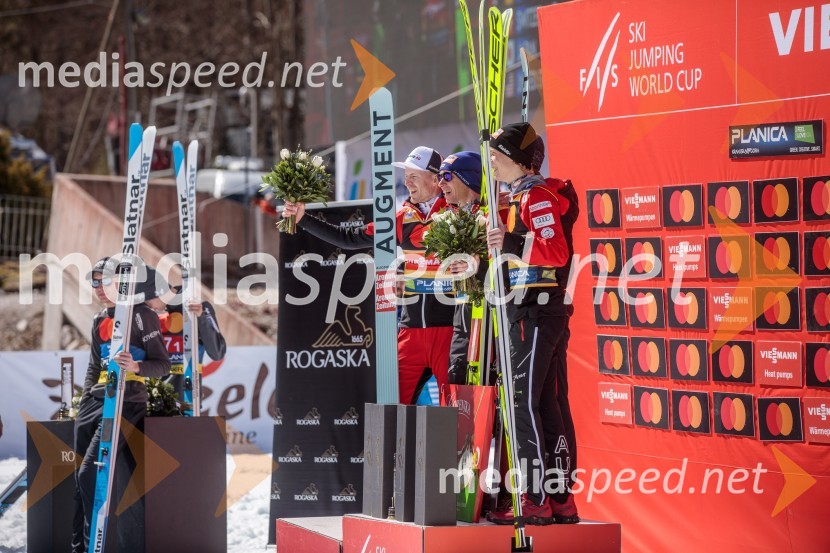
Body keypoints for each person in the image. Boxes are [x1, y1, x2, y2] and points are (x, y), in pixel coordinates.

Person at [281, 146, 455, 404]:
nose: (406, 182)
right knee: (392, 407)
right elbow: (349, 239)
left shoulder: (456, 213)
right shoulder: (400, 217)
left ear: (435, 178)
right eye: (405, 175)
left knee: (454, 410)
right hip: (411, 332)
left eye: (413, 176)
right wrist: (303, 218)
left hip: (449, 330)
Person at [482, 122, 579, 525]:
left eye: (498, 156)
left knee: (523, 403)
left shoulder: (535, 195)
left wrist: (507, 241)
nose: (492, 162)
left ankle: (534, 496)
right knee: (548, 405)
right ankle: (560, 499)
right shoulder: (522, 195)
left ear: (519, 161)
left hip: (535, 311)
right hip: (539, 309)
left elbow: (555, 252)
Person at [73, 258, 171, 553]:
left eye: (104, 280)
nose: (98, 288)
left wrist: (137, 366)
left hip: (126, 402)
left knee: (89, 474)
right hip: (95, 402)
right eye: (94, 281)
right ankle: (81, 547)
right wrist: (86, 399)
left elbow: (163, 364)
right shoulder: (98, 319)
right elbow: (93, 366)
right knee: (78, 480)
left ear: (122, 283)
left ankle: (99, 544)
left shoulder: (141, 315)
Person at [433, 151, 486, 385]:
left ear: (467, 178)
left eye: (446, 176)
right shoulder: (450, 217)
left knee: (489, 387)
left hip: (490, 316)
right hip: (461, 315)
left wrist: (479, 264)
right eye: (438, 176)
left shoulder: (494, 213)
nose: (440, 183)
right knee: (456, 382)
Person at [150, 281, 227, 409]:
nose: (150, 306)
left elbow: (217, 352)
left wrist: (201, 317)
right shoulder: (154, 315)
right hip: (157, 402)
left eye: (149, 300)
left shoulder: (199, 307)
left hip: (188, 400)